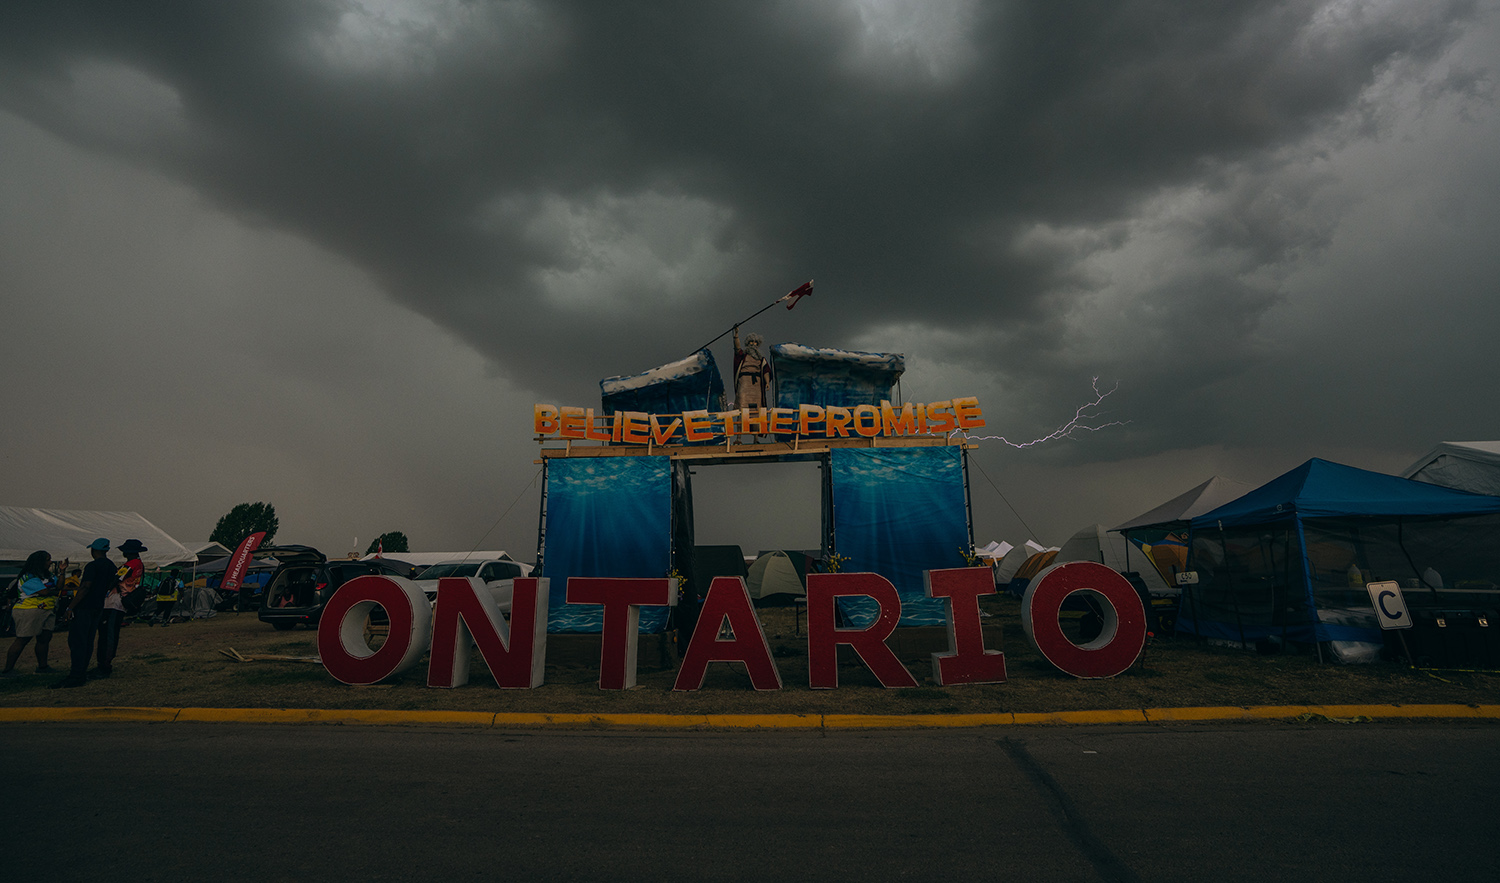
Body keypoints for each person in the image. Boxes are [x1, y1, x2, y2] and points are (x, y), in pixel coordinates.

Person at [53, 538, 116, 689]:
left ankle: (76, 675)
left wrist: (70, 607)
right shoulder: (111, 566)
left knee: (77, 641)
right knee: (88, 641)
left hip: (84, 607)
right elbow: (112, 584)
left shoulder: (92, 566)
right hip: (98, 607)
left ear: (94, 550)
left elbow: (85, 587)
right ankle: (81, 671)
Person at [3, 551, 58, 676]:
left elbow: (58, 586)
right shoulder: (28, 576)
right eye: (48, 560)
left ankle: (43, 667)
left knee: (44, 638)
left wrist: (62, 573)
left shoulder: (48, 575)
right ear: (40, 562)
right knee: (23, 639)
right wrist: (54, 591)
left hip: (47, 608)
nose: (50, 562)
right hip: (29, 610)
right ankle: (7, 670)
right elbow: (43, 592)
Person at [97, 538, 146, 676]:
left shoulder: (130, 564)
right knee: (110, 633)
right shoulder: (139, 564)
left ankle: (105, 665)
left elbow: (116, 579)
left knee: (108, 634)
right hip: (121, 601)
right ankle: (104, 663)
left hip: (116, 601)